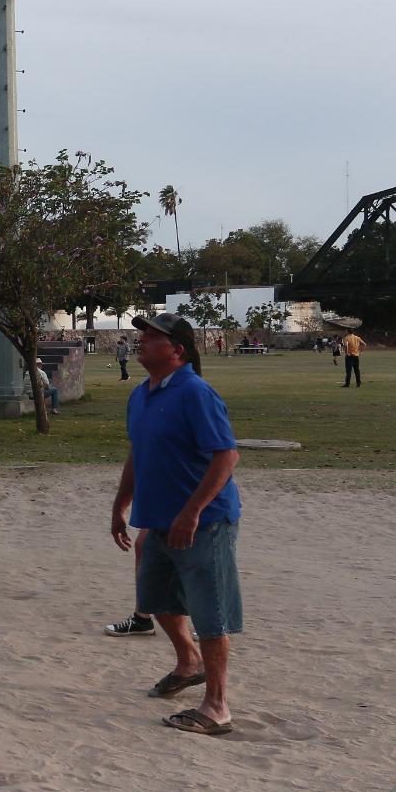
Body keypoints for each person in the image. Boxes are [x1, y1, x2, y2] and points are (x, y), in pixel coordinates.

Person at [109, 313, 242, 737]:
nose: (141, 340)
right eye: (142, 333)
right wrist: (121, 501)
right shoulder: (140, 394)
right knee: (157, 599)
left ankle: (217, 706)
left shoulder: (195, 393)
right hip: (158, 518)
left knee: (210, 613)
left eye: (152, 336)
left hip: (205, 522)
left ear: (177, 350)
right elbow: (138, 451)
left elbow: (226, 457)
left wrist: (192, 511)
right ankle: (189, 662)